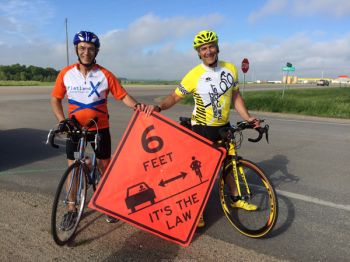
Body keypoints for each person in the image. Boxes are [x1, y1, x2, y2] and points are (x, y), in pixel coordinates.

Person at [145, 30, 260, 228]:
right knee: (201, 172)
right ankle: (196, 210)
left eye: (211, 47)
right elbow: (174, 97)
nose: (208, 51)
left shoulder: (230, 69)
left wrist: (248, 117)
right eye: (203, 49)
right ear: (199, 53)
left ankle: (235, 198)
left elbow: (236, 97)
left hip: (223, 126)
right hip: (201, 128)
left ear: (217, 47)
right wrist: (159, 106)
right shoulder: (194, 74)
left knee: (228, 164)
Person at [51, 31, 147, 225]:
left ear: (96, 52)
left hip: (100, 128)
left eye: (91, 49)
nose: (86, 52)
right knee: (72, 167)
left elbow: (123, 96)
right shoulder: (66, 73)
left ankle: (107, 204)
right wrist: (62, 120)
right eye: (82, 48)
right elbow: (55, 99)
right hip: (74, 128)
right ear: (77, 50)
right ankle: (71, 208)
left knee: (105, 167)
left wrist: (138, 107)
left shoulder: (105, 74)